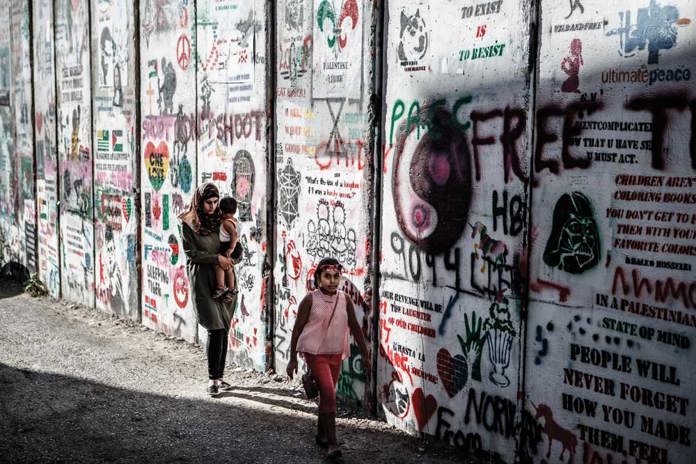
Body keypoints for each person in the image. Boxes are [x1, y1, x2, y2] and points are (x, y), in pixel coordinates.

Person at [286, 258, 371, 459]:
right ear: (318, 278)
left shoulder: (344, 299)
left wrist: (366, 356)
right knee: (330, 394)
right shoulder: (310, 300)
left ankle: (322, 434)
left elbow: (356, 328)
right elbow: (297, 329)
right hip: (315, 354)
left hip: (335, 353)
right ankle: (332, 443)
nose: (332, 281)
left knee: (326, 395)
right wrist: (292, 359)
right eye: (327, 277)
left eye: (336, 277)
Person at [179, 183, 238, 397]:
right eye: (208, 202)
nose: (213, 207)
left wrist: (231, 259)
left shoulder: (222, 219)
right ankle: (212, 379)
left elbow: (237, 246)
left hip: (224, 278)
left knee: (223, 328)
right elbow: (191, 253)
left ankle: (220, 377)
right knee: (214, 327)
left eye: (215, 202)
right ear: (199, 201)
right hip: (204, 280)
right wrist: (216, 258)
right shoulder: (188, 222)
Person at [213, 196, 239, 300]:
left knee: (219, 265)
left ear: (222, 211)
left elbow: (234, 234)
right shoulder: (234, 220)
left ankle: (221, 286)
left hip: (228, 246)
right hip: (234, 246)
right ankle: (232, 289)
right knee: (229, 268)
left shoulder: (227, 222)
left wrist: (231, 248)